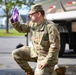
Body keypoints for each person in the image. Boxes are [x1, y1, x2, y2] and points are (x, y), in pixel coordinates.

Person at [10, 4, 60, 75]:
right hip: (35, 52)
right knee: (16, 53)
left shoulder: (51, 27)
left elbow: (55, 47)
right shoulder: (32, 24)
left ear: (38, 14)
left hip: (46, 56)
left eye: (31, 14)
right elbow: (21, 28)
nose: (29, 16)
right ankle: (30, 72)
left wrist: (45, 61)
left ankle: (55, 71)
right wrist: (15, 21)